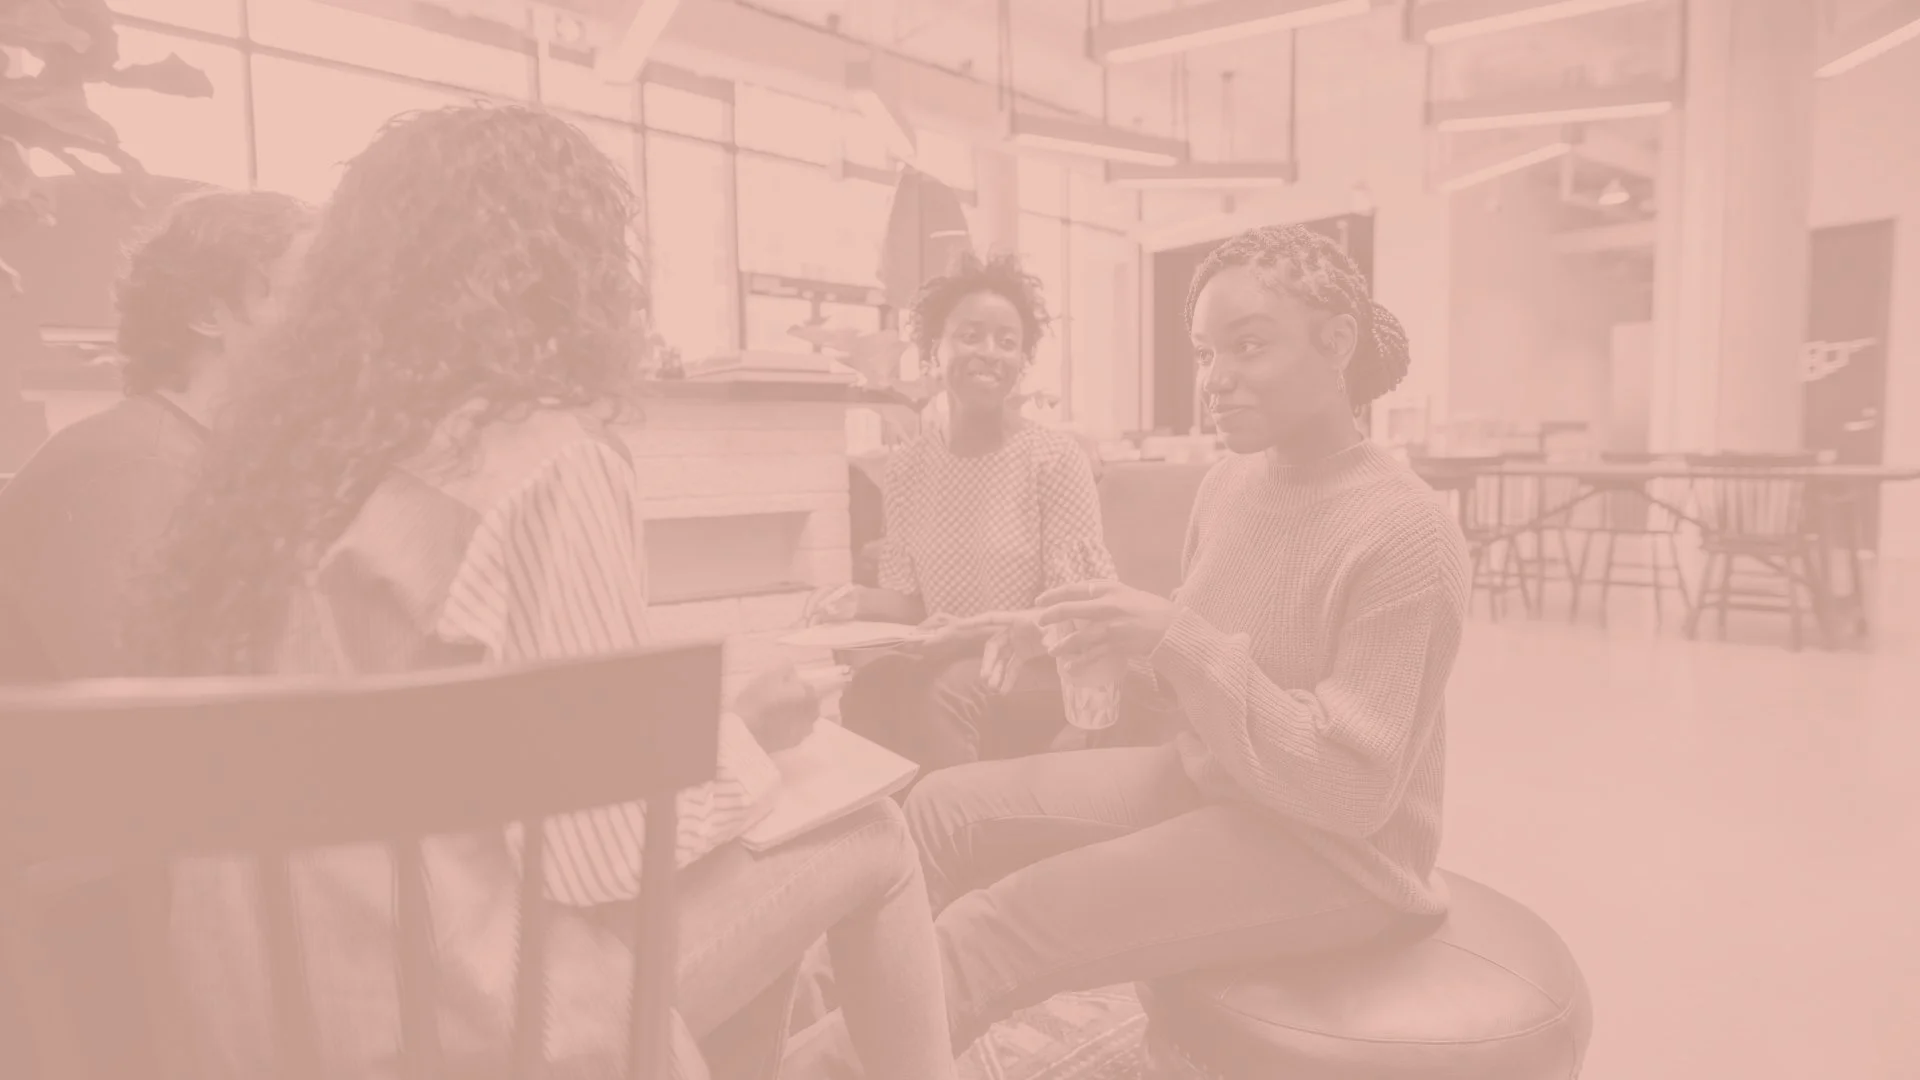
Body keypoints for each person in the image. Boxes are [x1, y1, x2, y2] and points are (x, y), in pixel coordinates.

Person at [138, 104, 954, 1080]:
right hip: (469, 1036)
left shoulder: (278, 483)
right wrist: (749, 740)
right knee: (867, 830)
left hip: (261, 1032)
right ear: (575, 276)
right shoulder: (543, 456)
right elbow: (601, 858)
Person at [901, 224, 1473, 1053]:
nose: (1217, 380)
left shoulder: (1405, 529)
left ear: (1337, 342)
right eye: (1206, 353)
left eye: (1247, 347)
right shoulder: (1229, 484)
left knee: (991, 929)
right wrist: (1074, 635)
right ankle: (781, 1041)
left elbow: (1352, 791)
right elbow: (1187, 668)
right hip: (1220, 781)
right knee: (935, 810)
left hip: (1337, 854)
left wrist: (1173, 638)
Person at [808, 251, 1115, 772]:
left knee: (943, 694)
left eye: (1007, 341)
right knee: (870, 686)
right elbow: (911, 603)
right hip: (949, 654)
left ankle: (948, 844)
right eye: (970, 335)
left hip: (1039, 659)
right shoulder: (906, 468)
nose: (989, 352)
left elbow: (1082, 613)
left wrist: (970, 634)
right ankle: (887, 838)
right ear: (934, 351)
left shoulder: (1053, 458)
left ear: (1022, 361)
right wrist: (852, 600)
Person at [0, 189, 310, 684]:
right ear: (207, 315)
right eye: (305, 296)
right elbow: (150, 713)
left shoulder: (198, 457)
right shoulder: (128, 470)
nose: (335, 321)